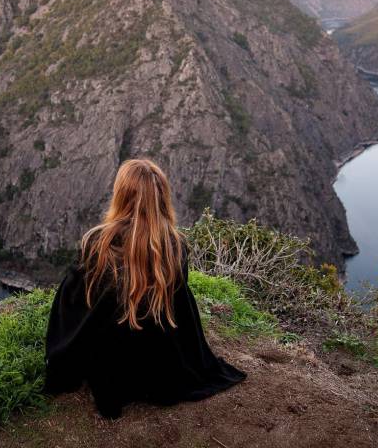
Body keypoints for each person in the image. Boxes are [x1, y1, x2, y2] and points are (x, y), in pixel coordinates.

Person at [43, 158, 245, 419]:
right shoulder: (175, 247)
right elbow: (181, 312)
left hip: (111, 367)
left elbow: (72, 306)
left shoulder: (98, 244)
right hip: (158, 367)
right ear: (162, 199)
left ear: (122, 196)